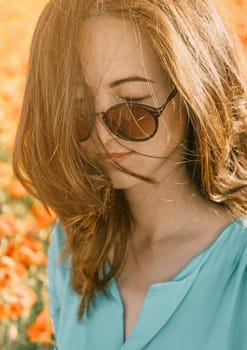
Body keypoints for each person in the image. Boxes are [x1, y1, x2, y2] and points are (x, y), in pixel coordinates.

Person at [13, 0, 247, 349]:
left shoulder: (239, 265)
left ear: (194, 91)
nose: (103, 136)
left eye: (133, 106)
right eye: (77, 112)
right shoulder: (73, 242)